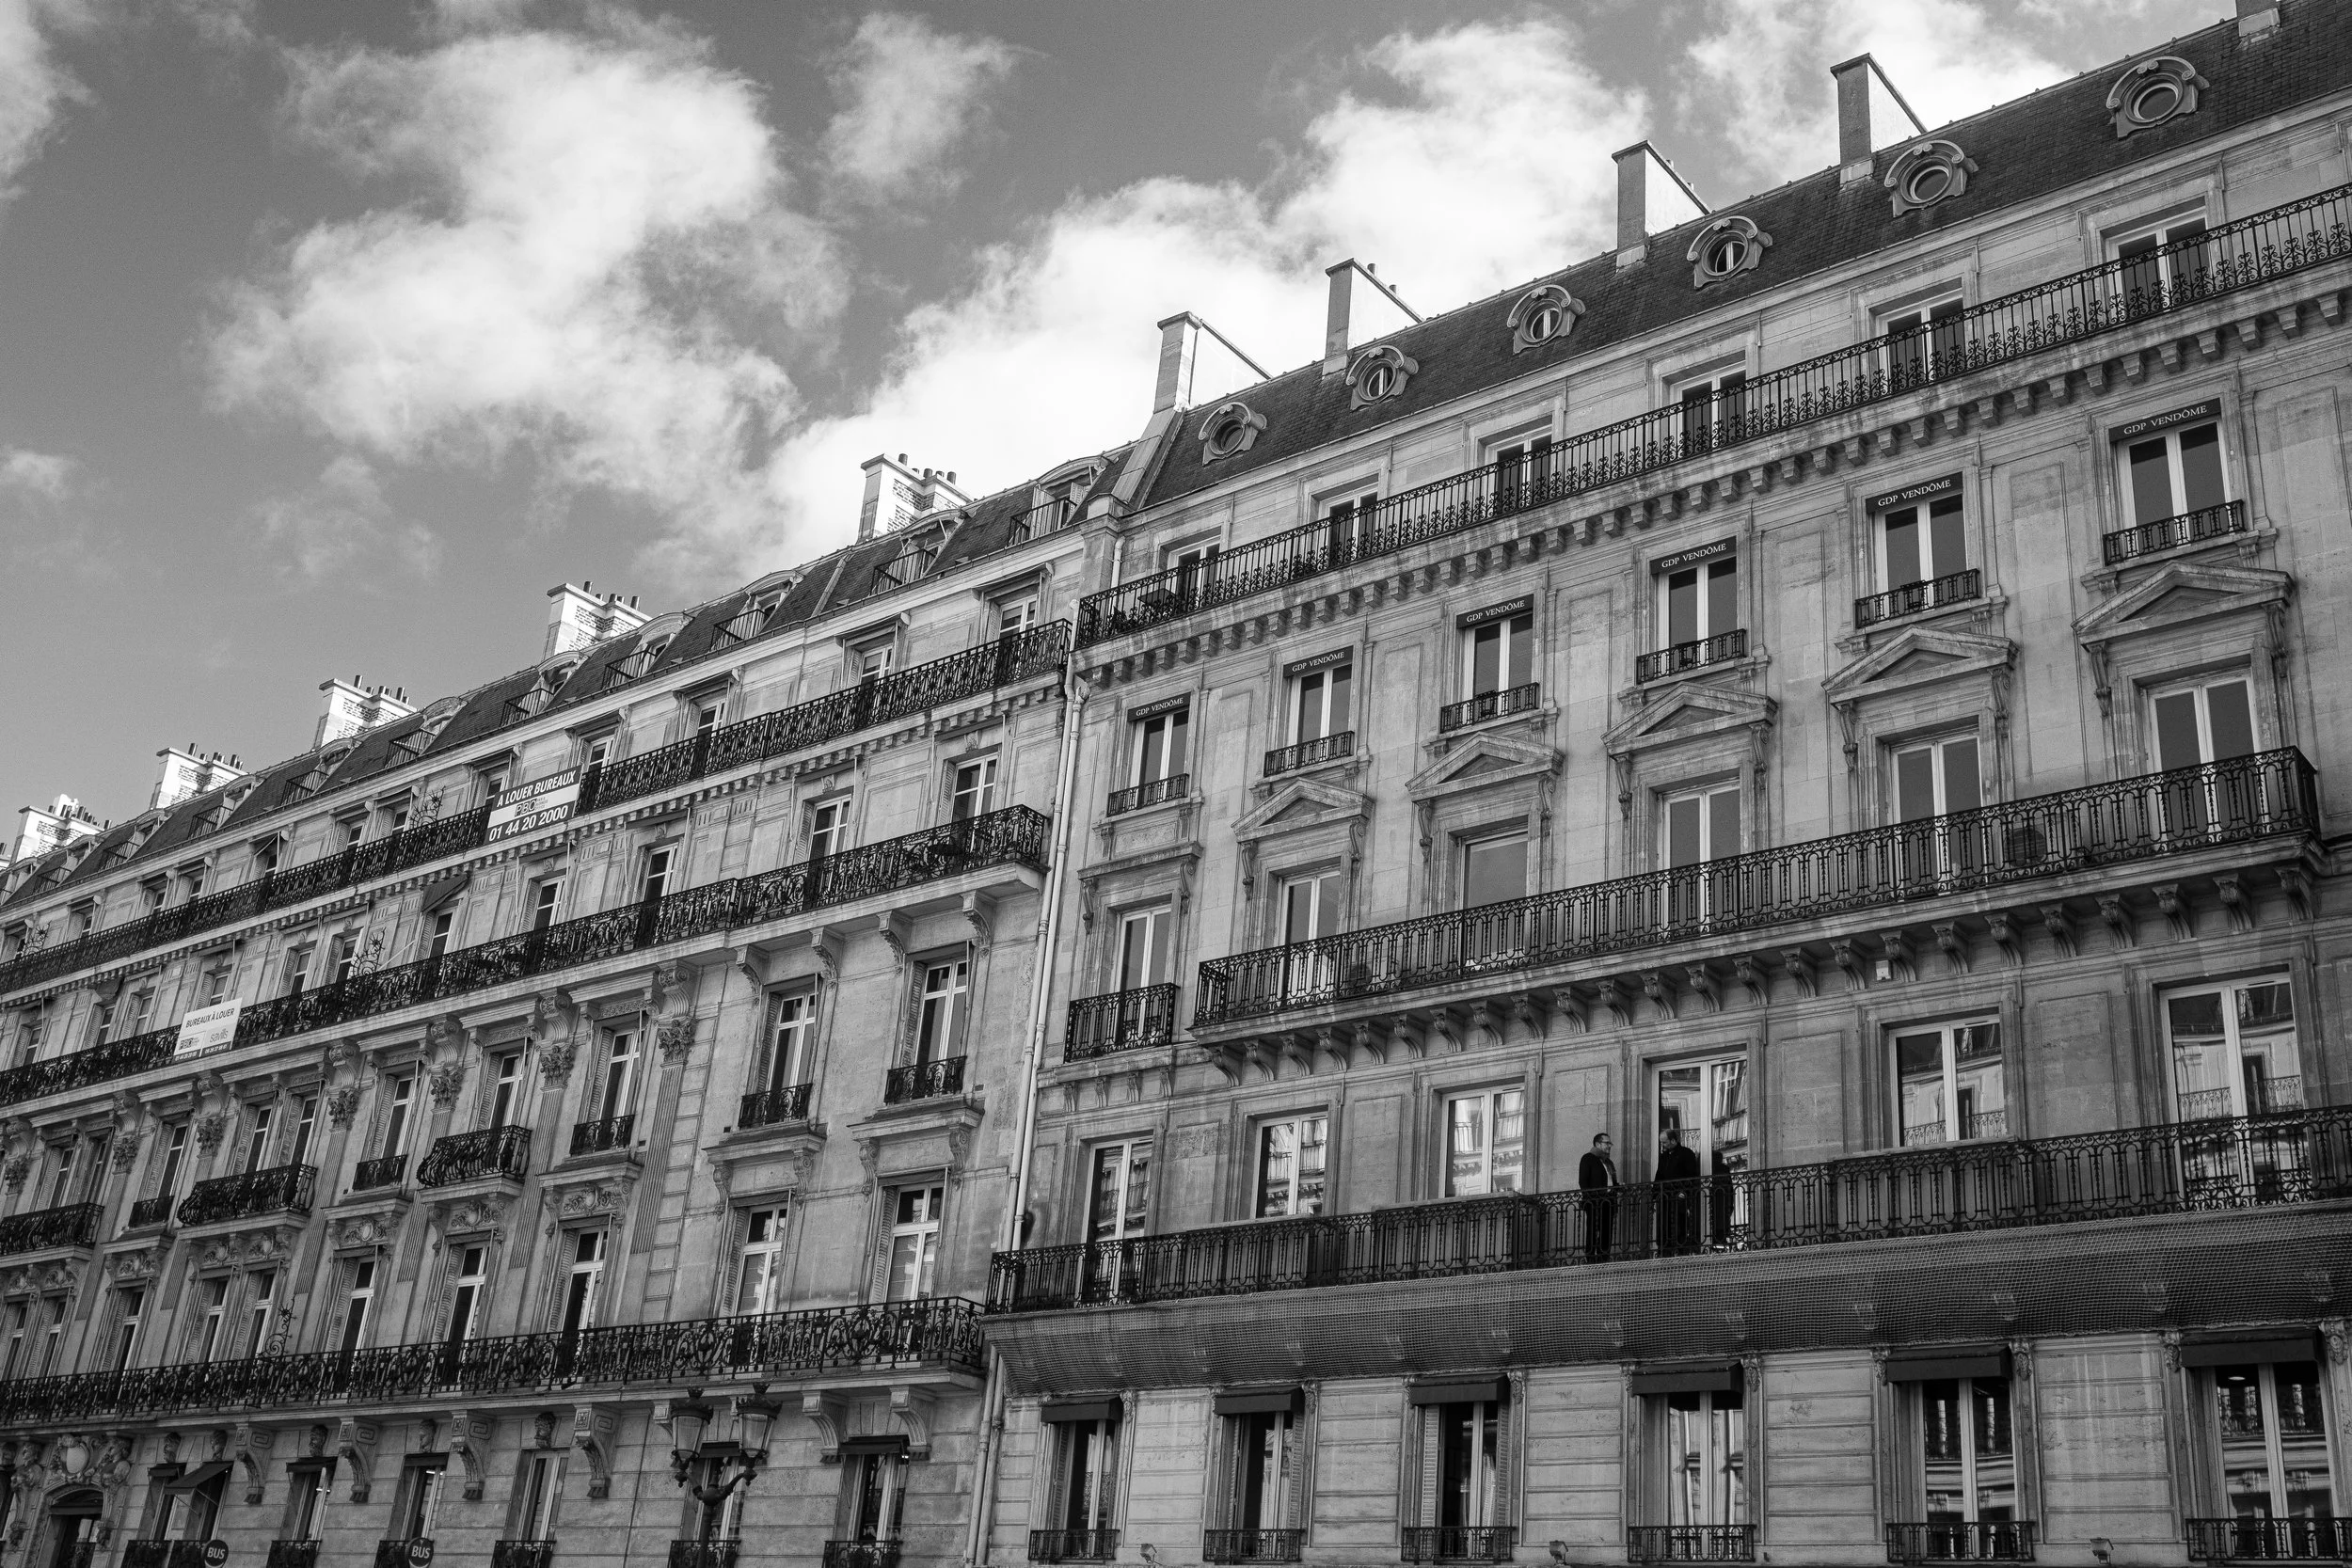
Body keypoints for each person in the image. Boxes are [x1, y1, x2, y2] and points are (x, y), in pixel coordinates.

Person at [1655, 1125, 1702, 1256]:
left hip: (1679, 1196)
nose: (1662, 1145)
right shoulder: (1664, 1156)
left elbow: (1691, 1175)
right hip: (1665, 1196)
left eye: (1664, 1142)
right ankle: (1665, 1253)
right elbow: (1659, 1175)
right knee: (1665, 1225)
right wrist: (1655, 1194)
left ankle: (1682, 1252)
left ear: (1673, 1141)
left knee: (1680, 1225)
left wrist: (1684, 1192)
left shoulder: (1686, 1153)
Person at [1577, 1132, 1618, 1262]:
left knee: (1606, 1231)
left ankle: (1603, 1258)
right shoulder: (1588, 1158)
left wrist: (1618, 1186)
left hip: (1608, 1201)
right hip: (1594, 1201)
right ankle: (1591, 1259)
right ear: (1598, 1144)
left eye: (1609, 1143)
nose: (1609, 1146)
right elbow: (1583, 1181)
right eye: (1607, 1143)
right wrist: (1589, 1199)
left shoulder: (1608, 1162)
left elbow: (1612, 1181)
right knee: (1593, 1231)